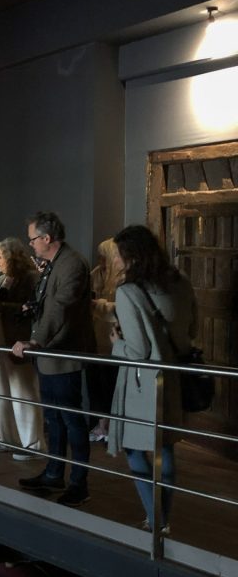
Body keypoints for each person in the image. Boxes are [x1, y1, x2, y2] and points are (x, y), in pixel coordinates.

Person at [108, 225, 198, 531]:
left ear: (131, 256)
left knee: (134, 449)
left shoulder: (128, 292)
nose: (116, 262)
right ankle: (161, 516)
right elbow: (191, 331)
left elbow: (138, 349)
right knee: (165, 446)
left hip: (141, 383)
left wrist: (115, 342)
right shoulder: (180, 282)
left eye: (119, 255)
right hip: (174, 376)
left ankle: (156, 518)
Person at [12, 211, 95, 507]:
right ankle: (53, 473)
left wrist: (35, 340)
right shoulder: (53, 264)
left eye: (33, 239)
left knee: (72, 420)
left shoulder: (72, 264)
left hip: (63, 356)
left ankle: (78, 483)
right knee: (54, 420)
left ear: (47, 238)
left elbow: (61, 307)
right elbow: (49, 304)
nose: (31, 245)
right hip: (49, 356)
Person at [0, 238, 44, 460]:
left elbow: (33, 310)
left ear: (11, 257)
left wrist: (9, 307)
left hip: (19, 343)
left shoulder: (32, 280)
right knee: (1, 392)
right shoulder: (0, 280)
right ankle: (8, 438)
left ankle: (32, 444)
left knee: (23, 392)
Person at [87, 238, 124, 442]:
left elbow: (123, 308)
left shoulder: (123, 278)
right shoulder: (95, 274)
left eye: (104, 256)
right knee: (96, 385)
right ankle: (100, 424)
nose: (100, 260)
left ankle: (110, 426)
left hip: (114, 340)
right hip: (95, 339)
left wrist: (99, 305)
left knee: (111, 385)